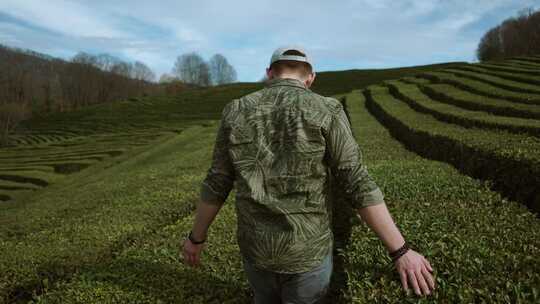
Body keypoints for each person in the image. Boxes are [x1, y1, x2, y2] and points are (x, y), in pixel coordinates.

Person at [183, 45, 436, 303]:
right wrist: (400, 251)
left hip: (256, 252)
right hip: (308, 255)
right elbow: (356, 181)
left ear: (269, 73)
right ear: (311, 78)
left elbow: (217, 182)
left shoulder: (235, 110)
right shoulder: (327, 110)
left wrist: (196, 238)